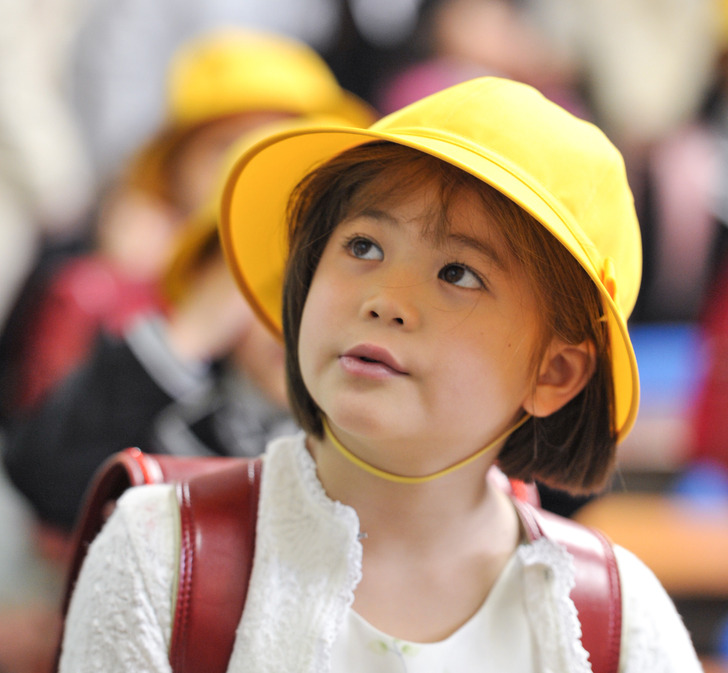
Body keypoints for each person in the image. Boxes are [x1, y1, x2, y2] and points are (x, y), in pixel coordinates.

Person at [58, 77, 701, 671]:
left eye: (458, 274)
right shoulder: (163, 552)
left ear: (554, 372)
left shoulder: (617, 619)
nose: (385, 300)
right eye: (363, 246)